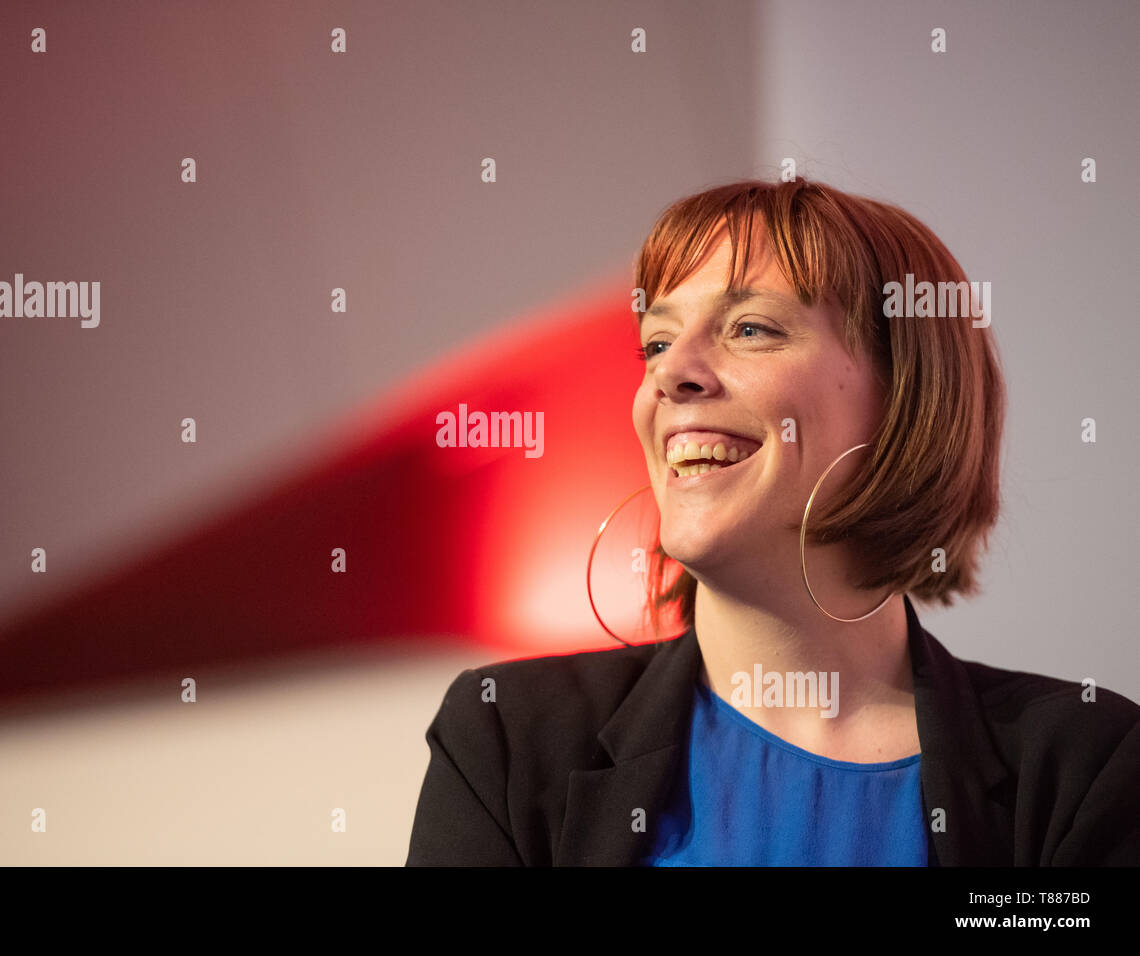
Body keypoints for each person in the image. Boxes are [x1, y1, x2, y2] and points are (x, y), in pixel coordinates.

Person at [404, 178, 1140, 866]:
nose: (671, 373)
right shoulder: (507, 737)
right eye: (656, 342)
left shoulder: (1085, 762)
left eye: (750, 328)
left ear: (907, 394)